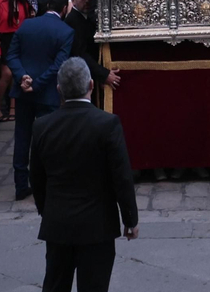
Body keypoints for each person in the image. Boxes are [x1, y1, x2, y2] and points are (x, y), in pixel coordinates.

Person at [29, 58, 139, 292]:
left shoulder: (42, 126)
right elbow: (121, 176)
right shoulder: (107, 124)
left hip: (58, 222)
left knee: (56, 284)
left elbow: (36, 178)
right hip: (97, 226)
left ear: (59, 89)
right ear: (91, 85)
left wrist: (46, 210)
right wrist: (130, 218)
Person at [7, 0, 74, 201]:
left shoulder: (27, 24)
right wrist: (36, 84)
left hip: (23, 90)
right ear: (64, 9)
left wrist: (21, 77)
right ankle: (49, 181)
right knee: (49, 138)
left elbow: (12, 55)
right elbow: (58, 65)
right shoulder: (66, 31)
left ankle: (20, 184)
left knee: (22, 136)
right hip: (46, 92)